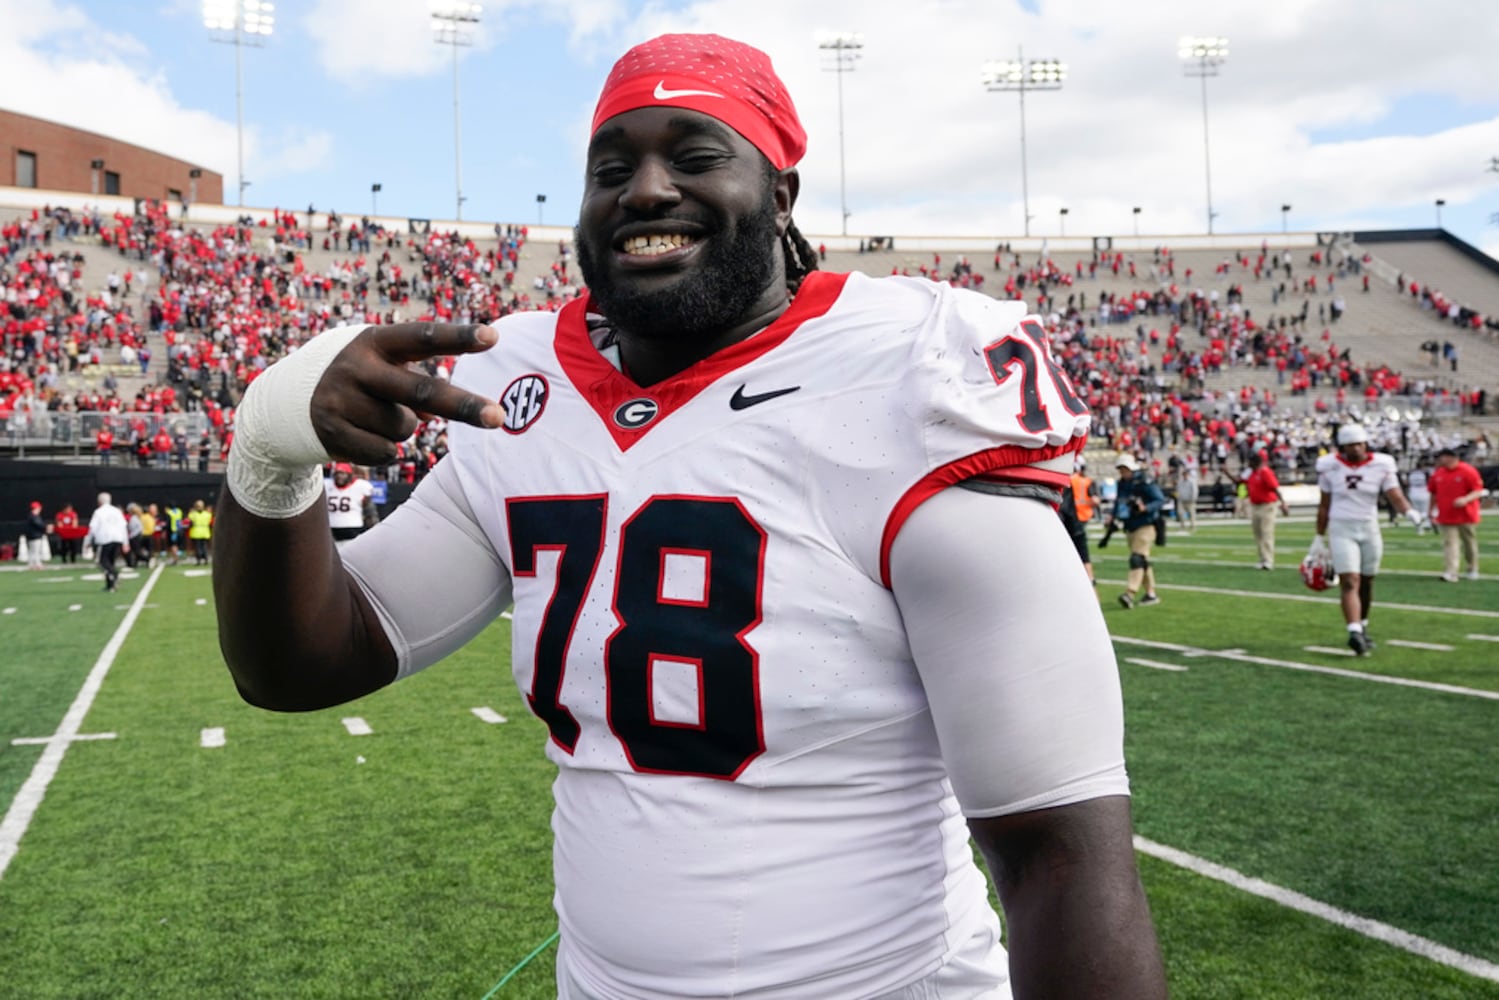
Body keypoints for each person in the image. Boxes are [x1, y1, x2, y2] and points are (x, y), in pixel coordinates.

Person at [211, 33, 1165, 1000]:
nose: (646, 190)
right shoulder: (520, 387)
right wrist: (269, 446)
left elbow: (1057, 848)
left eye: (696, 156)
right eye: (610, 170)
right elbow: (305, 663)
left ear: (781, 197)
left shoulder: (904, 370)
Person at [1314, 423, 1422, 655]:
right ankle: (1353, 630)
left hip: (1369, 526)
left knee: (1367, 580)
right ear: (1342, 447)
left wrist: (1408, 511)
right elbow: (1324, 504)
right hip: (1341, 527)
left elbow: (1394, 493)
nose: (1356, 449)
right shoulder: (1329, 466)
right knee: (1349, 580)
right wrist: (1319, 536)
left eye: (1359, 444)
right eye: (1351, 445)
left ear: (1366, 444)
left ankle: (1362, 625)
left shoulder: (1381, 464)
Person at [1109, 453, 1165, 609]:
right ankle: (1151, 594)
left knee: (1137, 558)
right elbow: (1119, 502)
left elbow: (1159, 499)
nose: (1122, 472)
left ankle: (1130, 593)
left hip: (1146, 524)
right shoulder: (1122, 484)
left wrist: (1145, 508)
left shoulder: (1144, 482)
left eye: (1124, 469)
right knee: (1142, 560)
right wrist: (1113, 516)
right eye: (1121, 469)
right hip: (1130, 525)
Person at [1427, 446, 1487, 582]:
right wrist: (1431, 511)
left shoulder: (1468, 471)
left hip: (1466, 514)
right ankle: (1451, 571)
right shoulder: (1438, 473)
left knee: (1469, 542)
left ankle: (1472, 567)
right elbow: (1433, 493)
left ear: (1450, 457)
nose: (1439, 460)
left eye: (1442, 457)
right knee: (1449, 543)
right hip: (1446, 514)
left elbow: (1478, 490)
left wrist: (1465, 499)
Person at [1245, 451, 1291, 569]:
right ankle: (1262, 558)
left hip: (1267, 505)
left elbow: (1275, 488)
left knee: (1266, 532)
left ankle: (1268, 560)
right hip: (1255, 505)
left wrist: (1283, 502)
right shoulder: (1252, 474)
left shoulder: (1265, 472)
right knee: (1258, 534)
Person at [324, 463, 378, 542]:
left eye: (342, 473)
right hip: (331, 528)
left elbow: (370, 511)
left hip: (352, 528)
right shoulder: (327, 484)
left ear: (349, 475)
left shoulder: (360, 486)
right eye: (337, 473)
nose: (339, 476)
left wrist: (373, 528)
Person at [87, 492, 129, 592]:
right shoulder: (117, 511)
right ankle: (110, 584)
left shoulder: (98, 512)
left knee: (102, 562)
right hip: (117, 538)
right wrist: (125, 542)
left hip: (104, 539)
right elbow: (123, 527)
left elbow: (93, 527)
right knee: (111, 562)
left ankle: (115, 574)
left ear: (99, 501)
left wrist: (88, 541)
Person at [22, 501, 50, 570]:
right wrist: (46, 527)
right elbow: (39, 525)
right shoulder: (34, 516)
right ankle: (37, 564)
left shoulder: (32, 516)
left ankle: (32, 564)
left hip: (32, 536)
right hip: (35, 536)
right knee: (36, 551)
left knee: (32, 551)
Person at [186, 499, 213, 565]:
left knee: (199, 547)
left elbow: (189, 522)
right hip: (203, 533)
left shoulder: (192, 514)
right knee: (203, 547)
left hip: (197, 533)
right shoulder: (207, 514)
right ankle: (204, 559)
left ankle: (200, 560)